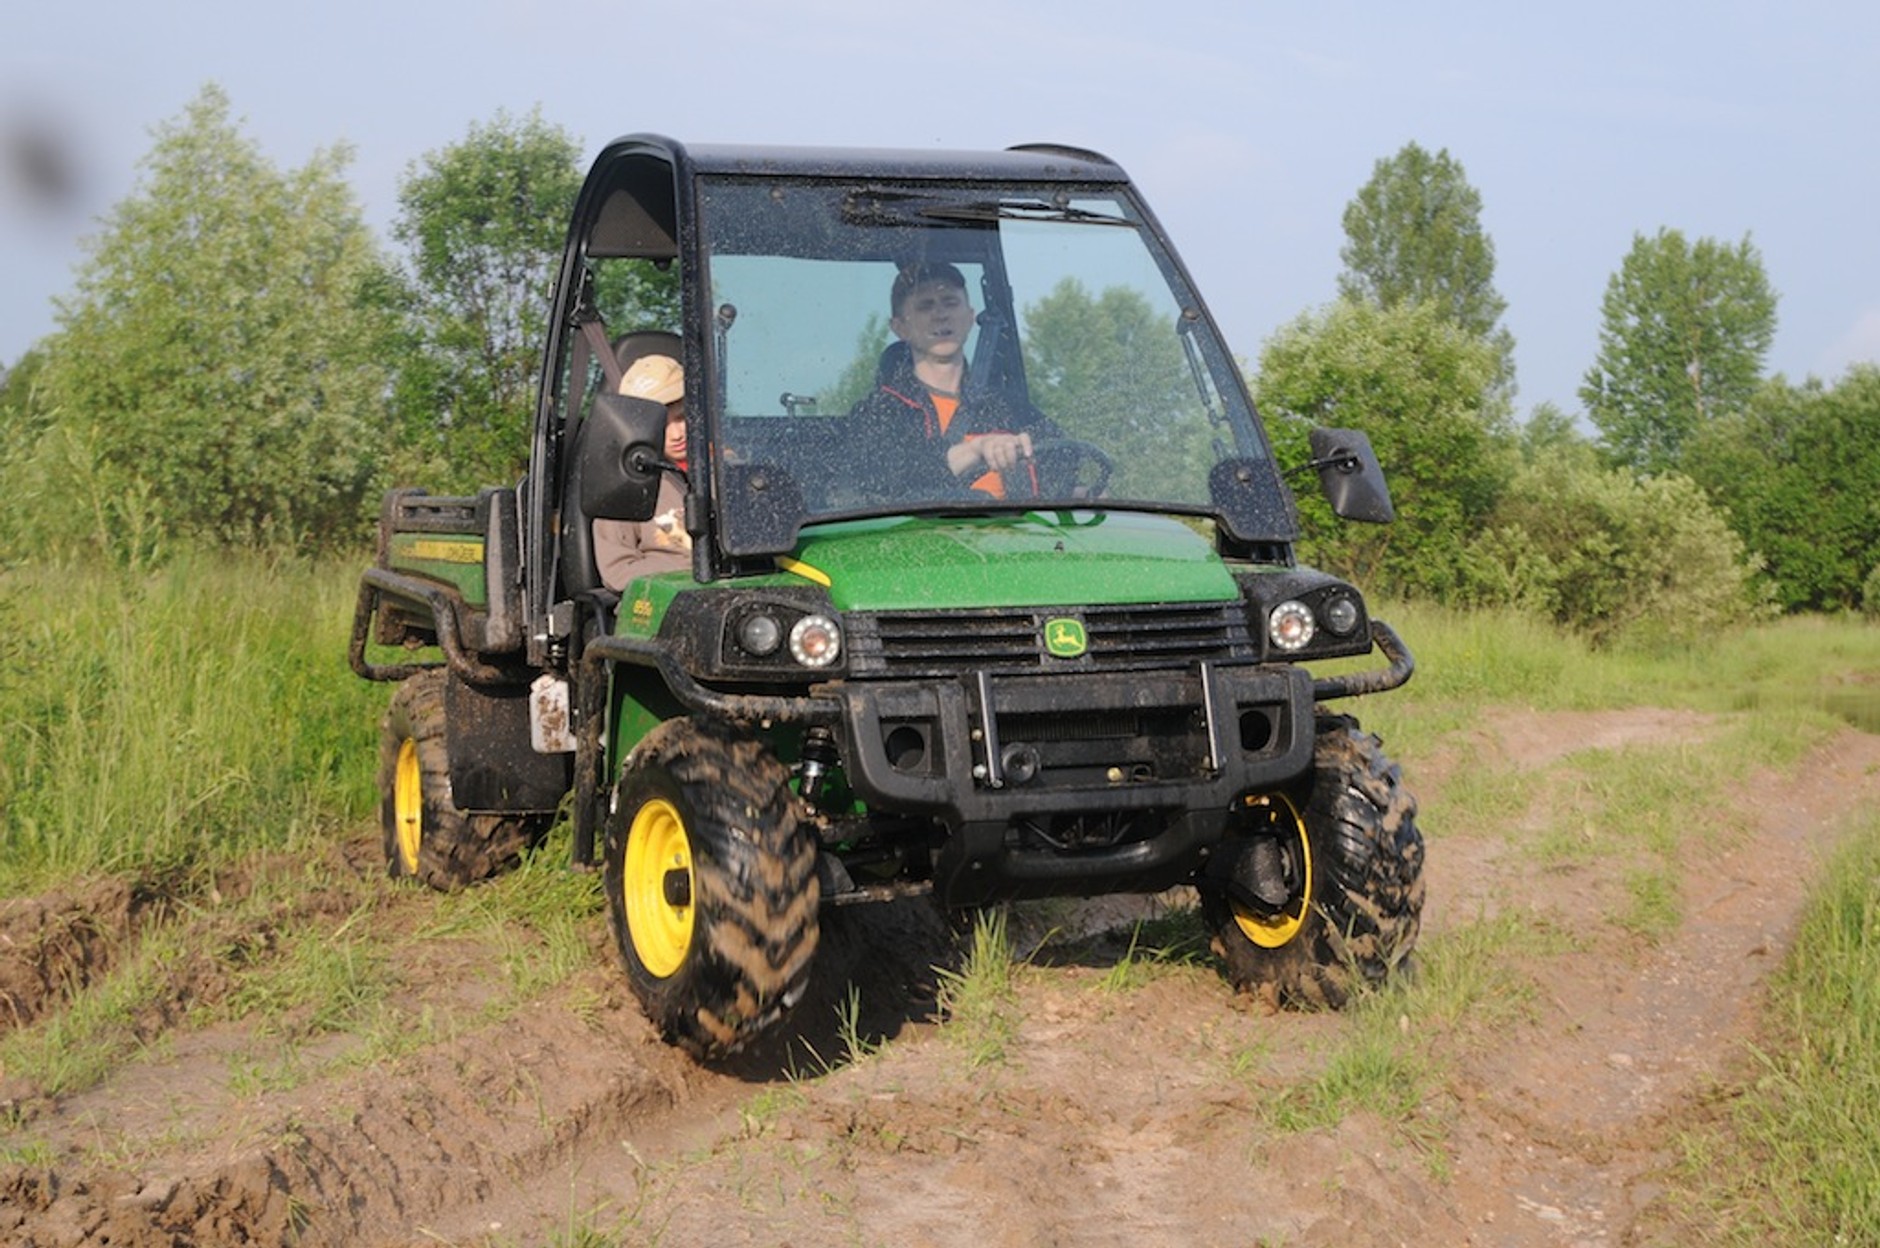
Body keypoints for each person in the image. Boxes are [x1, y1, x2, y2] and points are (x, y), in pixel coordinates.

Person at [849, 262, 1052, 497]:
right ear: (900, 327)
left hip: (1017, 532)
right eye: (925, 306)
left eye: (950, 303)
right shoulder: (879, 414)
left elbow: (1063, 460)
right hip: (922, 533)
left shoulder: (1010, 408)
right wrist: (976, 450)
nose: (941, 314)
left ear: (969, 317)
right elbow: (889, 479)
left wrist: (1075, 492)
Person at [593, 353, 691, 590]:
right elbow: (617, 572)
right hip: (659, 605)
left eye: (682, 418)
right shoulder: (622, 485)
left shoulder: (732, 472)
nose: (677, 433)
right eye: (662, 424)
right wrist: (694, 572)